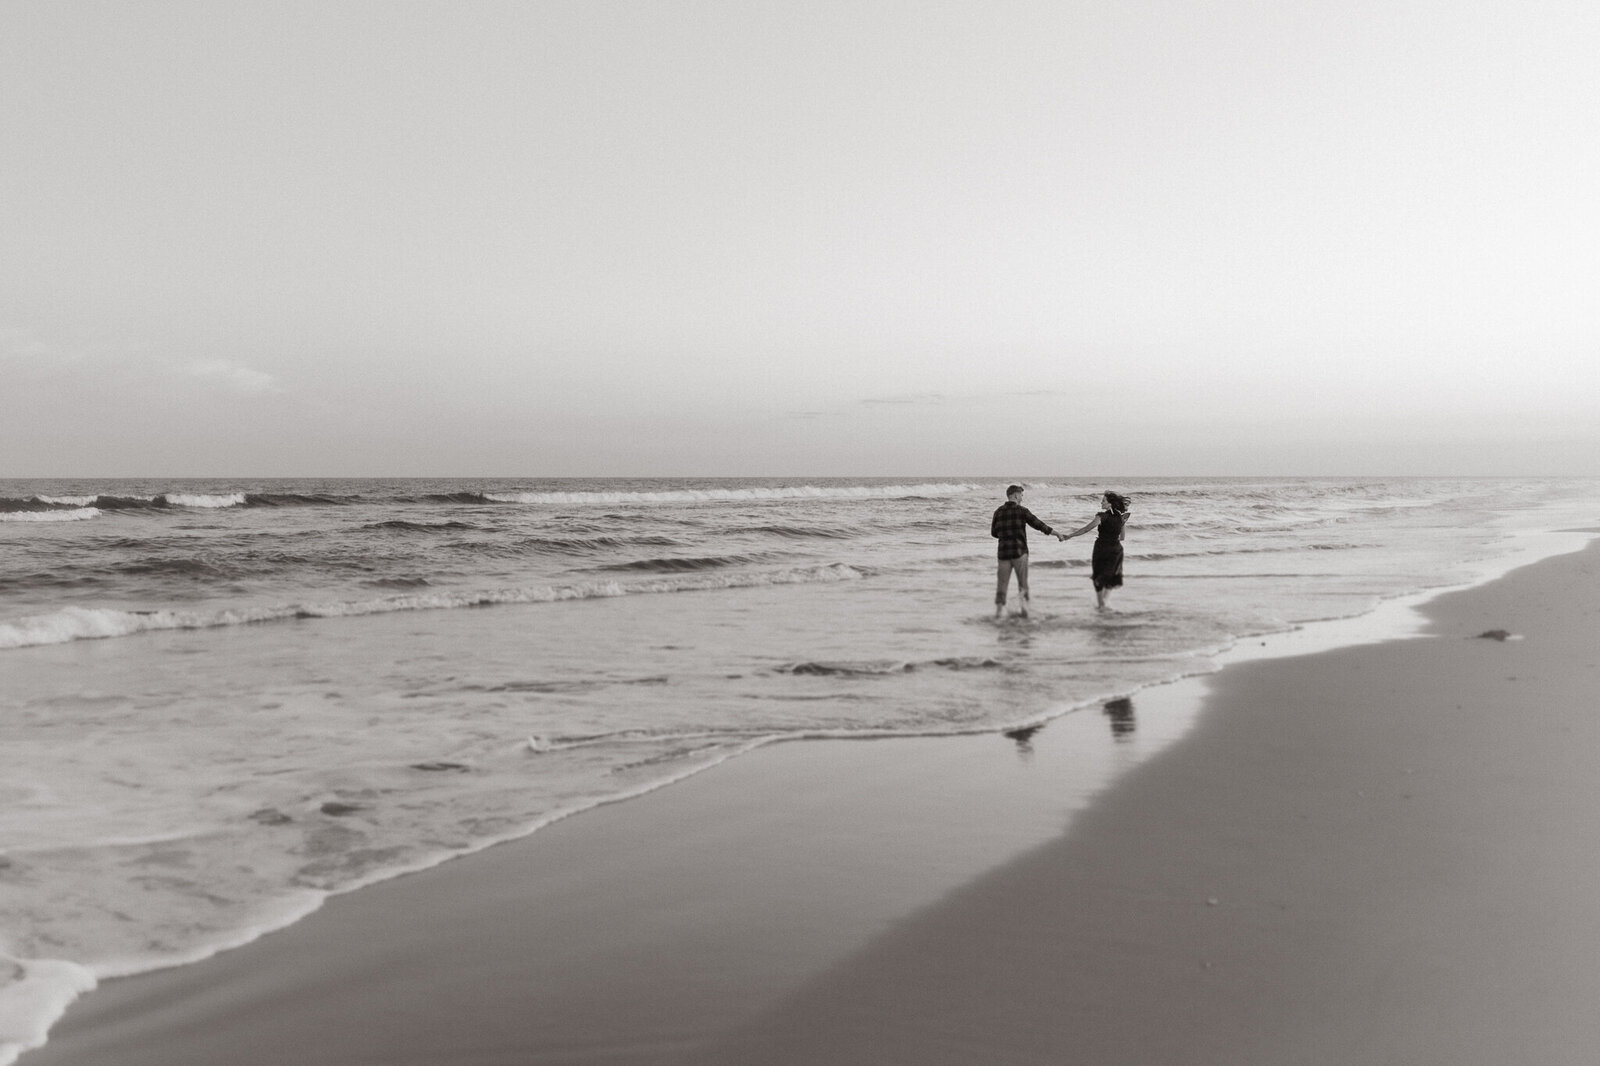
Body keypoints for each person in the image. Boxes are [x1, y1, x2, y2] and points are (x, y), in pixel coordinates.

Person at [990, 484, 1066, 618]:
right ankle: (1025, 612)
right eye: (1021, 495)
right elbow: (1039, 525)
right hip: (1020, 552)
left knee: (1002, 584)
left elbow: (994, 533)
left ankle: (998, 613)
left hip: (1003, 553)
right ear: (1015, 495)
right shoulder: (1022, 511)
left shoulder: (998, 511)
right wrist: (1057, 534)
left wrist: (1006, 535)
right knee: (1023, 583)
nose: (1022, 498)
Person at [1061, 491, 1131, 609]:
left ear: (1110, 504)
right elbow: (1122, 538)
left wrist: (1070, 536)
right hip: (1116, 550)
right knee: (1110, 577)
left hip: (1102, 549)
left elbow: (1086, 529)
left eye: (1103, 501)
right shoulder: (1122, 518)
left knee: (1098, 577)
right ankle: (1105, 603)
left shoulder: (1101, 516)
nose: (1101, 502)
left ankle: (1100, 605)